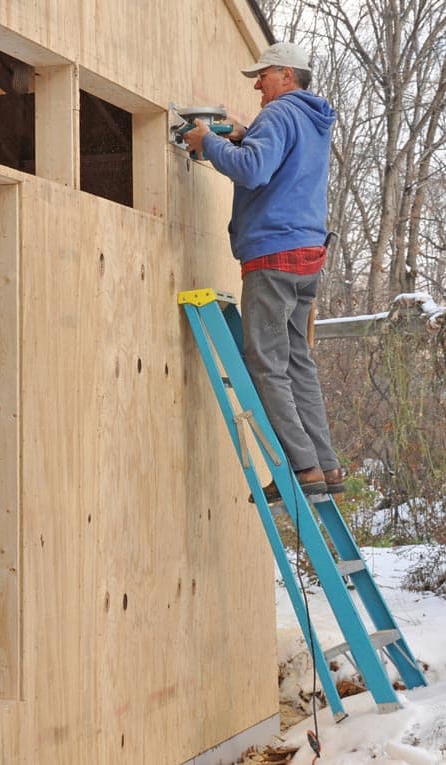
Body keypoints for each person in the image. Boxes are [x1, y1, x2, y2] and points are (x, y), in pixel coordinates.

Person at [184, 41, 344, 501]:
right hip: (306, 255)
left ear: (287, 77)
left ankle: (301, 468)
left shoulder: (279, 114)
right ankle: (326, 467)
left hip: (272, 257)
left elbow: (254, 171)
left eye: (264, 75)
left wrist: (207, 142)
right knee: (297, 361)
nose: (257, 84)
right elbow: (275, 162)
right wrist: (239, 134)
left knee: (266, 364)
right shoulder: (312, 120)